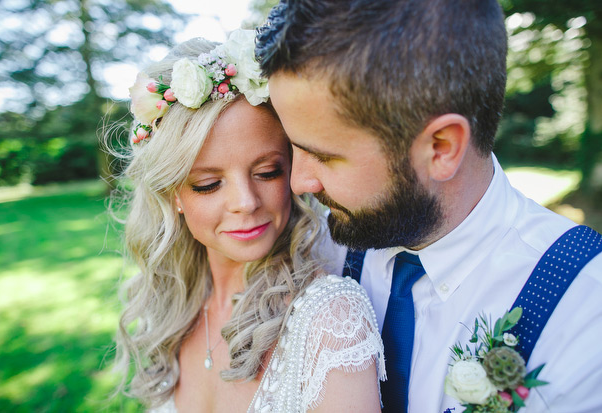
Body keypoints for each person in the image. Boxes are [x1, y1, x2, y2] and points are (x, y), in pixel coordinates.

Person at [255, 1, 602, 412]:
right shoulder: (313, 250)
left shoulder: (583, 310)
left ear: (441, 148)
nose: (300, 183)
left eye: (326, 156)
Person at [110, 30, 385, 413]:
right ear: (173, 194)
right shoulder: (171, 314)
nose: (246, 202)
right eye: (208, 184)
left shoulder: (330, 322)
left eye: (268, 172)